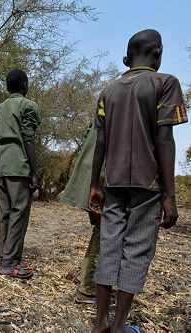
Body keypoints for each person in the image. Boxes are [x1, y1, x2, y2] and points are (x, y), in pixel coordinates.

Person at [89, 29, 187, 333]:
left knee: (109, 247)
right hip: (148, 186)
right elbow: (164, 139)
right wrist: (170, 196)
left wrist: (95, 184)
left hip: (114, 183)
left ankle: (100, 324)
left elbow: (100, 143)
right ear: (157, 53)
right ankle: (119, 326)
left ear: (128, 58)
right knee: (137, 251)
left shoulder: (109, 89)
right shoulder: (165, 83)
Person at [0, 69, 40, 279]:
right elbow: (28, 139)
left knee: (4, 214)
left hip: (1, 166)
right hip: (19, 167)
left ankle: (2, 257)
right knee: (19, 214)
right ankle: (10, 263)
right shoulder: (28, 106)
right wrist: (35, 171)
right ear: (25, 84)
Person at [60, 124, 105, 304]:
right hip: (101, 178)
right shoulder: (120, 109)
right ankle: (87, 289)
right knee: (104, 236)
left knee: (100, 232)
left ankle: (84, 278)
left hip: (93, 175)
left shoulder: (104, 108)